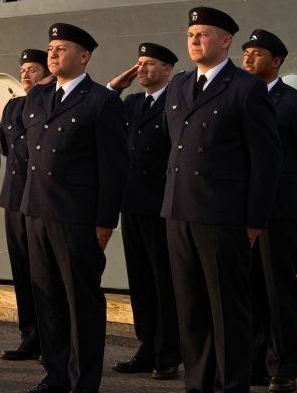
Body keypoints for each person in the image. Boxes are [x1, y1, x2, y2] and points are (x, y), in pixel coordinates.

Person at [162, 7, 281, 393]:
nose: (194, 40)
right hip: (179, 211)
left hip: (222, 216)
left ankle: (231, 386)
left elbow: (266, 160)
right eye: (190, 34)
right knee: (191, 308)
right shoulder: (179, 85)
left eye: (203, 34)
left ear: (226, 40)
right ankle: (197, 384)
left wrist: (254, 220)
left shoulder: (246, 88)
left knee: (227, 311)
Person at [19, 23, 127, 393]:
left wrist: (104, 221)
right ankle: (56, 375)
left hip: (77, 218)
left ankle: (84, 381)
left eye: (61, 48)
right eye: (51, 48)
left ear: (84, 56)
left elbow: (113, 167)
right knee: (47, 300)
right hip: (37, 212)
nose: (52, 54)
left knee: (81, 303)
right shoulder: (37, 97)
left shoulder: (102, 101)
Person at [240, 29, 297, 393]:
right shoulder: (239, 96)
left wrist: (284, 194)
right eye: (246, 52)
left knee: (279, 289)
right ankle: (255, 364)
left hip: (279, 213)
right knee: (249, 288)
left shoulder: (295, 103)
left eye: (257, 53)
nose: (248, 58)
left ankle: (283, 367)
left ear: (276, 62)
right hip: (241, 211)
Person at [105, 43, 182, 381]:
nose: (142, 70)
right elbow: (103, 111)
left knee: (164, 281)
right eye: (139, 63)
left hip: (162, 204)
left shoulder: (176, 102)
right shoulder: (133, 102)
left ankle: (168, 353)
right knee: (140, 282)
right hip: (132, 203)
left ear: (168, 69)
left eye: (150, 63)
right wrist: (115, 87)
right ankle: (147, 346)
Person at [0, 49, 53, 363]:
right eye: (23, 70)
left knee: (45, 273)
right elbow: (7, 147)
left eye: (32, 69)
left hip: (41, 200)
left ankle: (52, 339)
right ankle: (30, 337)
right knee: (22, 270)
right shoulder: (13, 106)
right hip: (15, 198)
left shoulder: (50, 103)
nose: (25, 74)